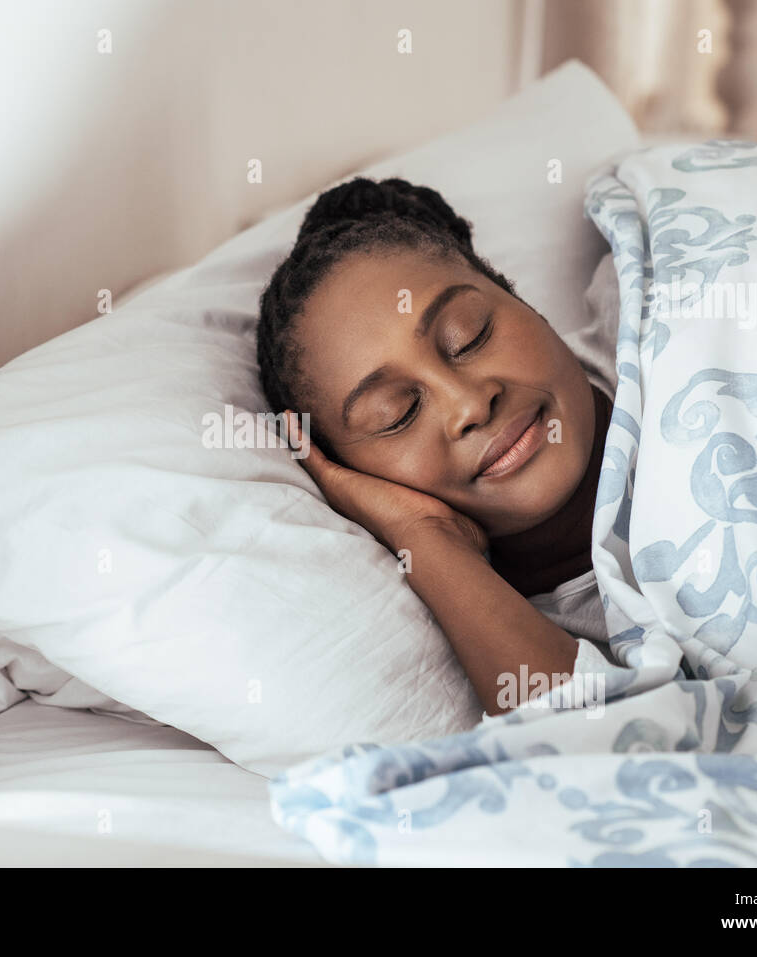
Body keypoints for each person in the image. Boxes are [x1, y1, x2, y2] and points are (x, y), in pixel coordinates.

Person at [256, 176, 620, 715]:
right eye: (397, 413)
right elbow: (601, 764)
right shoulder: (519, 640)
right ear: (355, 474)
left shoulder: (669, 305)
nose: (469, 405)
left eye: (468, 336)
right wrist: (423, 538)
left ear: (521, 300)